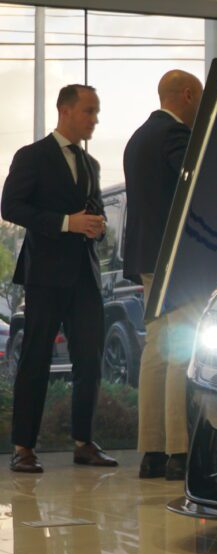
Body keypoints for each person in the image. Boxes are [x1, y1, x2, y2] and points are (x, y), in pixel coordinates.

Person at [1, 84, 118, 473]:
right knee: (35, 358)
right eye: (88, 111)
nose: (94, 120)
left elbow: (94, 210)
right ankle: (23, 448)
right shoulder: (32, 156)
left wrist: (97, 226)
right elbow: (11, 205)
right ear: (65, 110)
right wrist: (68, 223)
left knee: (90, 357)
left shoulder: (90, 165)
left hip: (84, 275)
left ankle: (84, 443)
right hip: (45, 276)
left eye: (96, 112)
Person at [123, 70, 203, 480]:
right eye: (200, 100)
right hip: (178, 257)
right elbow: (196, 187)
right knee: (181, 349)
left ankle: (150, 451)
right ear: (187, 95)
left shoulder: (137, 138)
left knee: (155, 348)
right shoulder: (176, 137)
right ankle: (178, 452)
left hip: (147, 258)